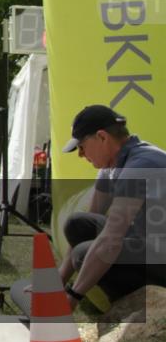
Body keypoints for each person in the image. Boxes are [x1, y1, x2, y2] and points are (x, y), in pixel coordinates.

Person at [59, 105, 166, 309]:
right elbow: (91, 219)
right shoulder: (113, 165)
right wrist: (57, 284)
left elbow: (111, 240)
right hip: (153, 245)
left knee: (84, 254)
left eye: (81, 146)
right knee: (77, 224)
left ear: (102, 137)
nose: (81, 155)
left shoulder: (141, 165)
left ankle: (137, 309)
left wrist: (72, 297)